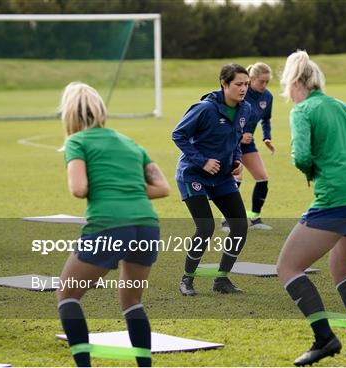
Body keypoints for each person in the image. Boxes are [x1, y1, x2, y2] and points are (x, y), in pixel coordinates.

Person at [276, 51, 346, 366]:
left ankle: (325, 339)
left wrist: (313, 170)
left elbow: (301, 156)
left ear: (295, 83)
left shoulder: (303, 109)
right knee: (343, 272)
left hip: (337, 197)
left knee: (288, 268)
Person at [56, 82, 170, 367]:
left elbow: (79, 188)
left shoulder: (77, 142)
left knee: (67, 295)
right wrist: (126, 188)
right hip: (146, 226)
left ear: (69, 114)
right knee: (132, 300)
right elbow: (163, 188)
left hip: (108, 225)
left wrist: (109, 188)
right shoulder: (130, 143)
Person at [172, 64, 250, 297]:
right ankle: (187, 279)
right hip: (193, 174)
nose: (243, 88)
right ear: (224, 84)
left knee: (239, 226)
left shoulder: (246, 109)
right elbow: (178, 134)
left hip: (222, 177)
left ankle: (221, 279)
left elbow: (236, 141)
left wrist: (236, 161)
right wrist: (202, 161)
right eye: (238, 84)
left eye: (246, 84)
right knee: (206, 227)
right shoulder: (204, 109)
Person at [224, 62, 275, 231]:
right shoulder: (240, 94)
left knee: (262, 178)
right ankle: (227, 220)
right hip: (231, 143)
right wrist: (240, 135)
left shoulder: (267, 97)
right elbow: (227, 120)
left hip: (248, 144)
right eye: (262, 81)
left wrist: (267, 138)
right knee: (235, 180)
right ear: (252, 79)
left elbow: (266, 119)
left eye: (267, 82)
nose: (264, 85)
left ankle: (254, 218)